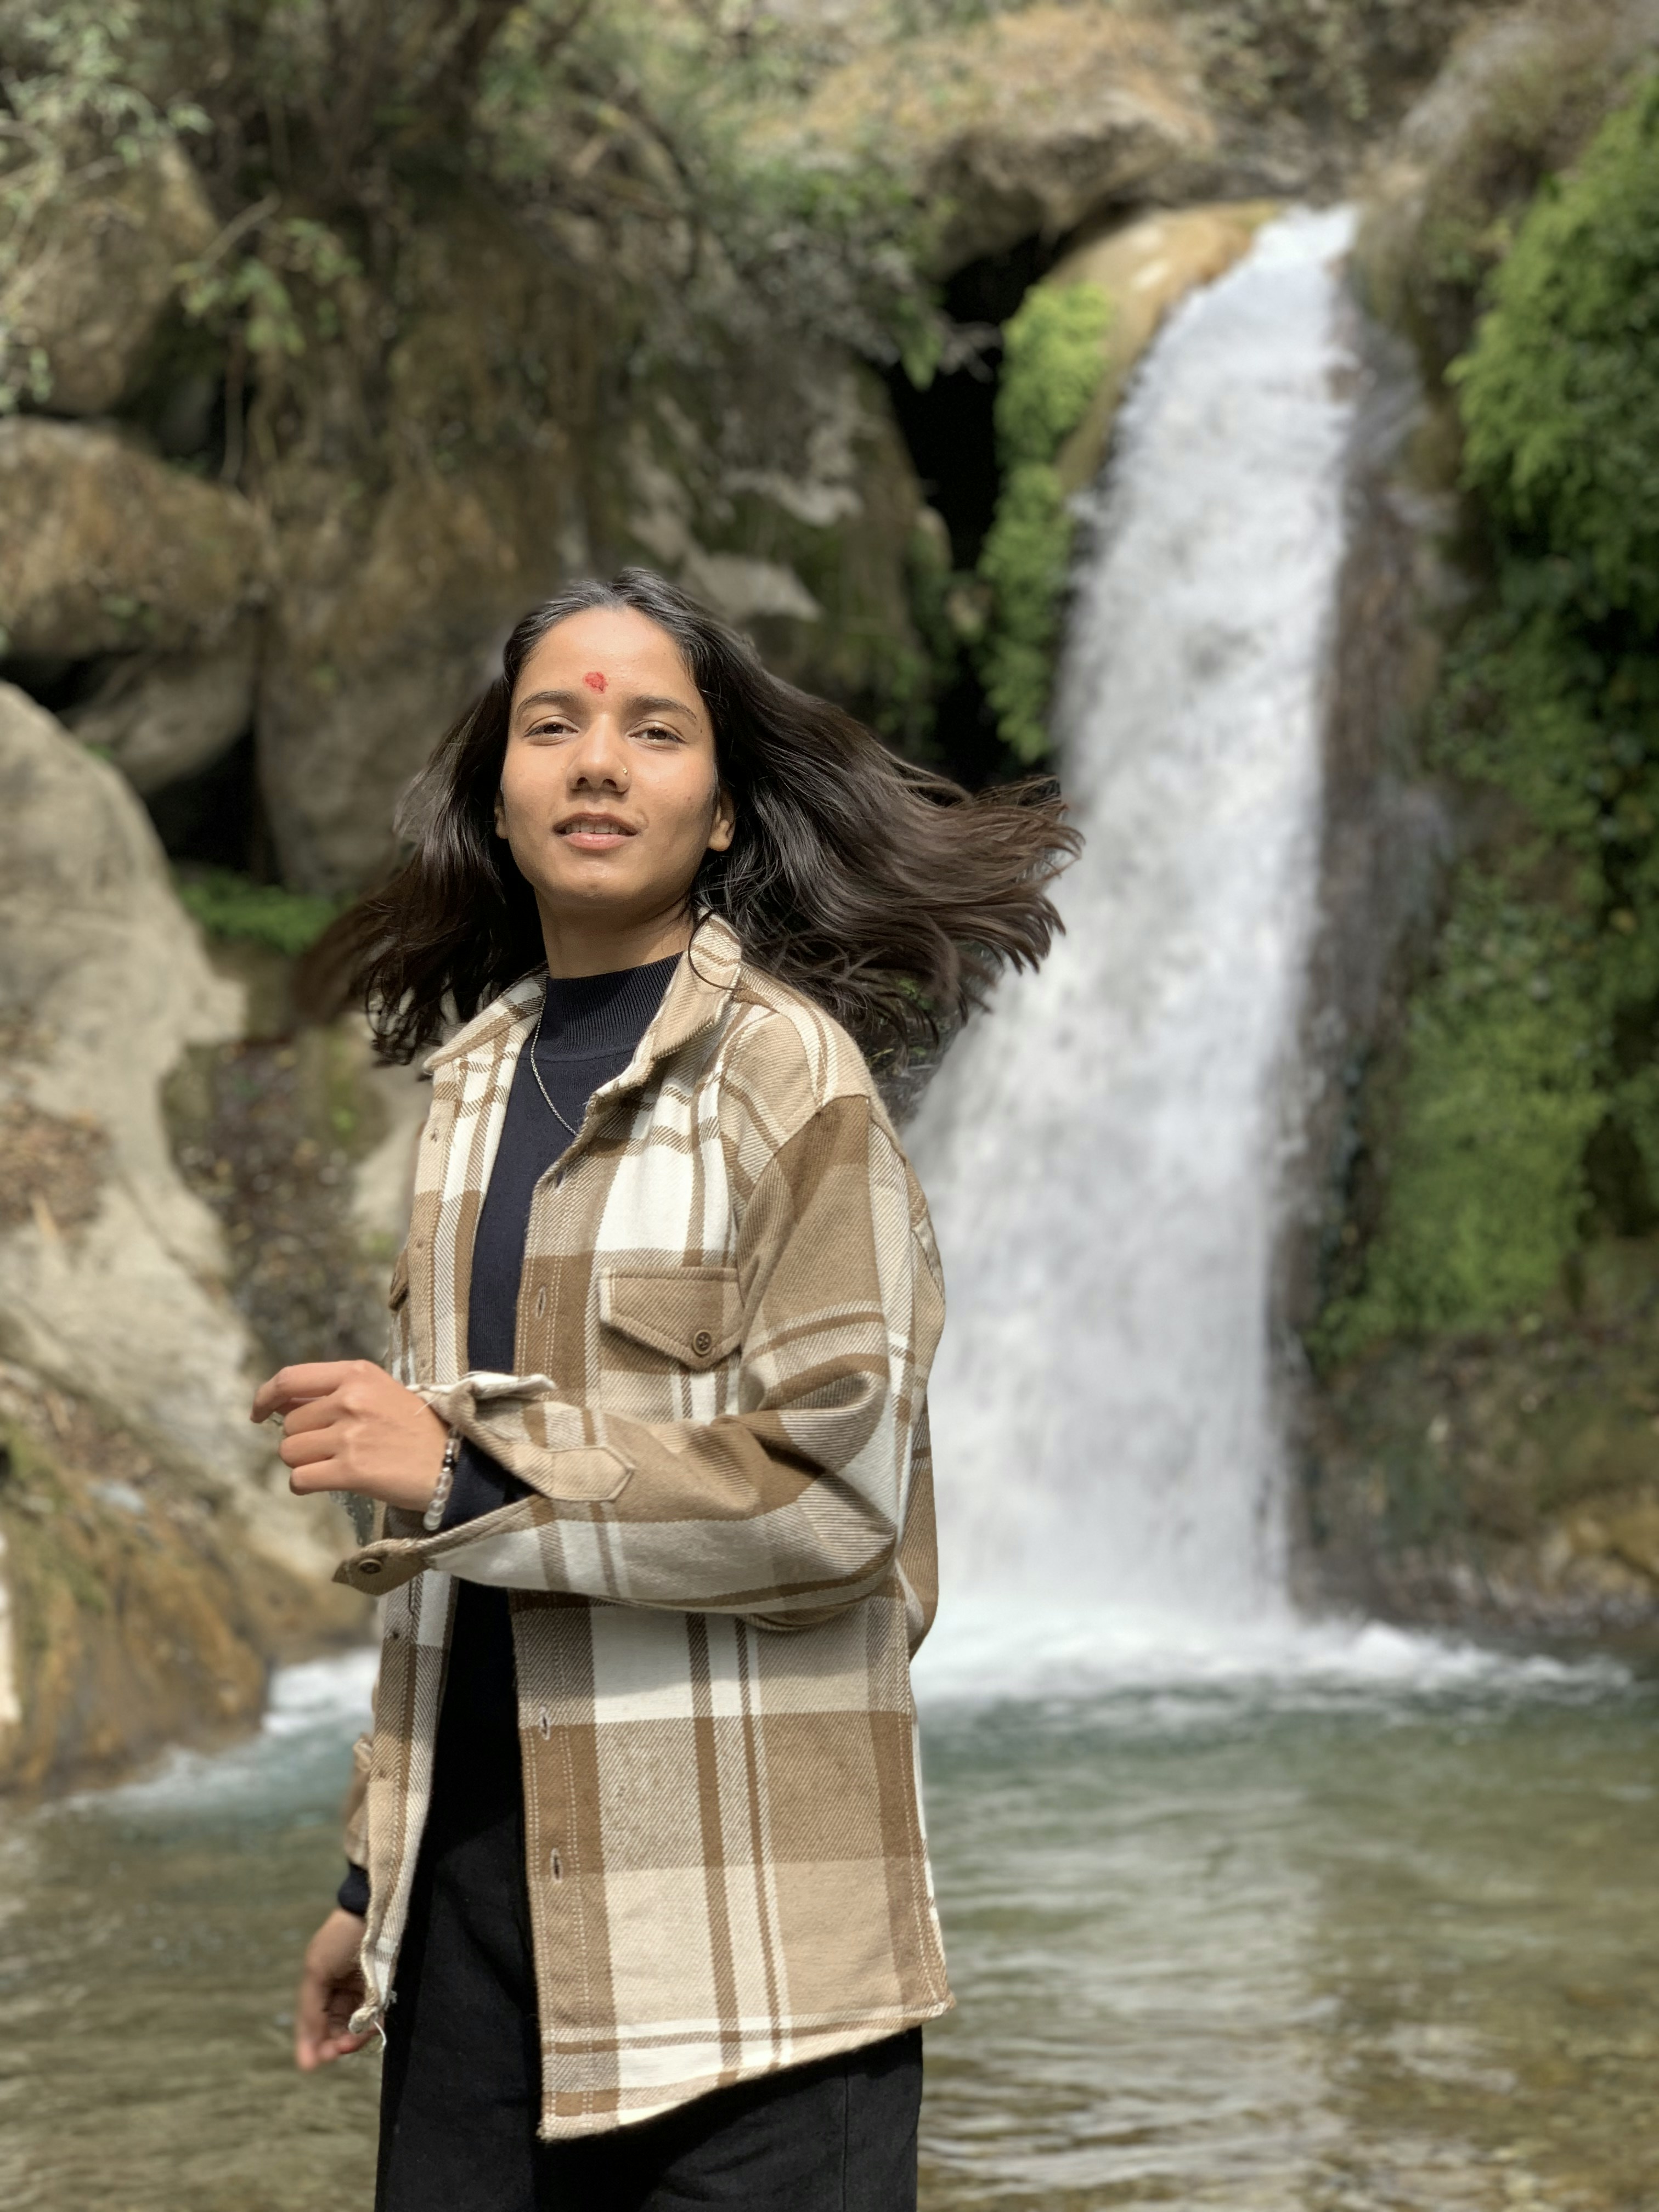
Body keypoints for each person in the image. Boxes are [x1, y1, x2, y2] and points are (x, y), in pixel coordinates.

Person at [252, 568, 1075, 2211]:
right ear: (499, 795)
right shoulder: (470, 1093)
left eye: (653, 728)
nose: (598, 761)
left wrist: (473, 1474)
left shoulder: (792, 1082)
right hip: (480, 1958)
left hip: (751, 1970)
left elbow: (836, 1502)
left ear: (719, 813)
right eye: (553, 725)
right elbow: (453, 1599)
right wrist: (372, 1870)